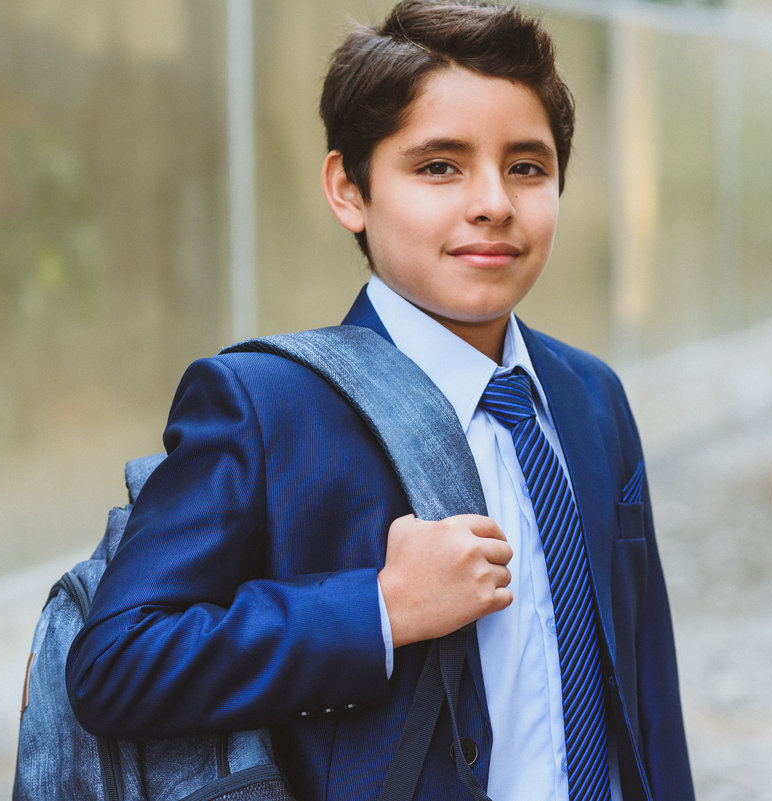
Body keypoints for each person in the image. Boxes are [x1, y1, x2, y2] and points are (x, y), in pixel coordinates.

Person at [66, 2, 693, 799]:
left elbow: (645, 686)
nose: (493, 202)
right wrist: (378, 608)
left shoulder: (591, 397)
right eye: (440, 166)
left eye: (527, 167)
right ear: (349, 189)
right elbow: (115, 662)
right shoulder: (268, 406)